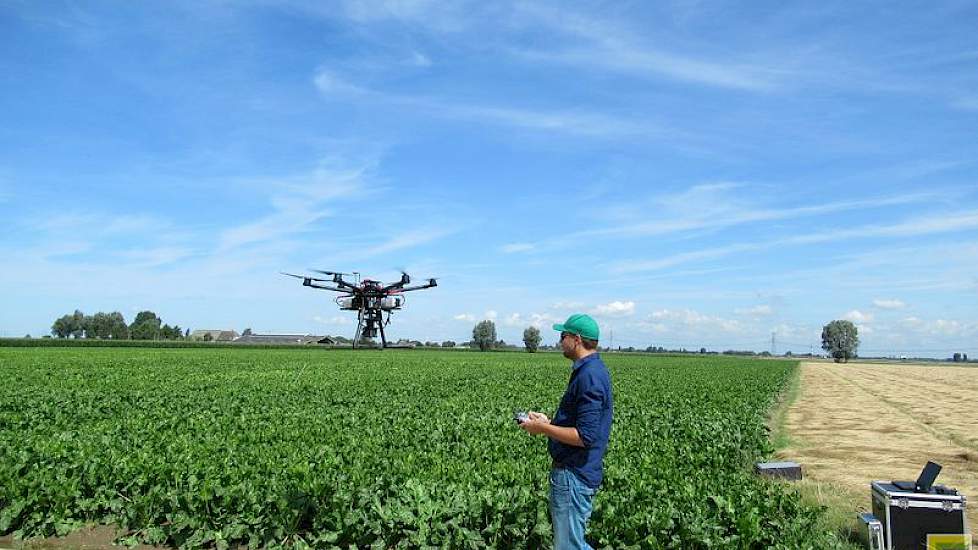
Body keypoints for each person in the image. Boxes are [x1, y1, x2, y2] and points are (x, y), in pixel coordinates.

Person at [520, 313, 613, 550]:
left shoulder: (590, 376)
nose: (560, 341)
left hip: (574, 474)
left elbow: (584, 437)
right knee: (573, 543)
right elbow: (582, 425)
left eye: (563, 336)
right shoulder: (591, 370)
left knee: (568, 546)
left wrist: (542, 429)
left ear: (577, 339)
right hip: (577, 472)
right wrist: (549, 421)